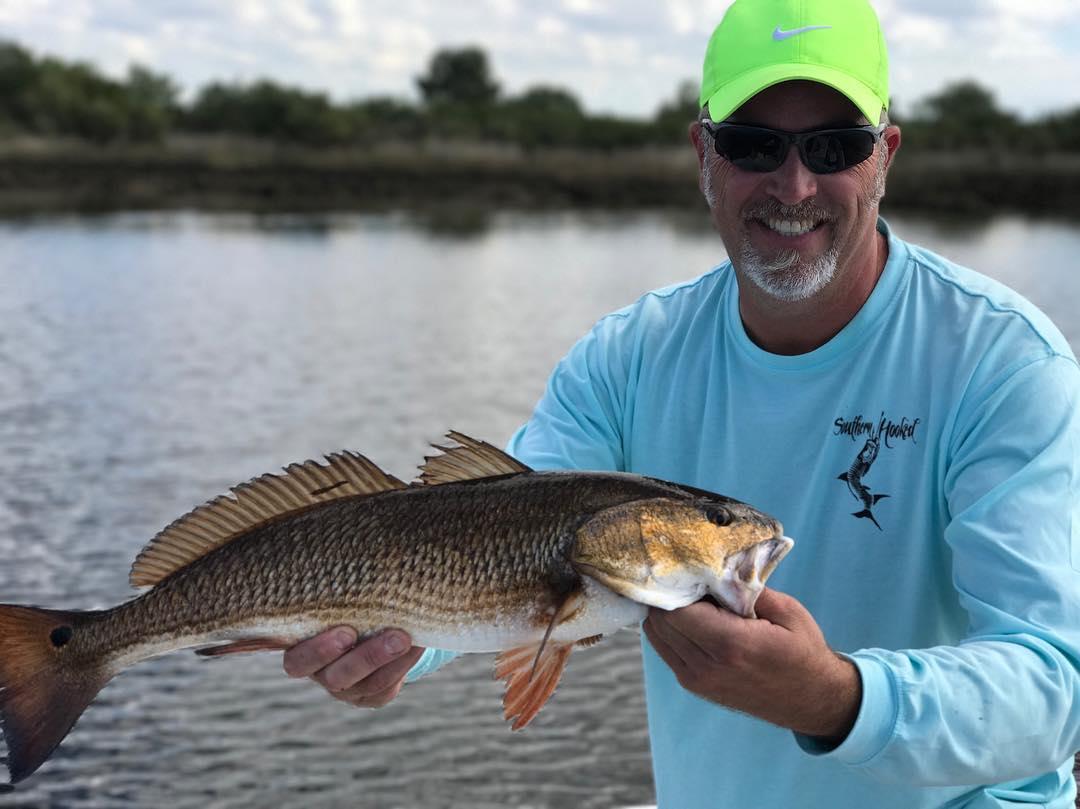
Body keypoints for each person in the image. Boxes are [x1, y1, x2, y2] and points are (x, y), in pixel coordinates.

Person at [282, 0, 1080, 805]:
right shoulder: (629, 356)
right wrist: (394, 646)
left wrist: (837, 699)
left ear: (885, 157)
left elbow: (1058, 687)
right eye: (752, 144)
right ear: (704, 152)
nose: (794, 183)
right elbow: (492, 548)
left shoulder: (1003, 362)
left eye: (835, 146)